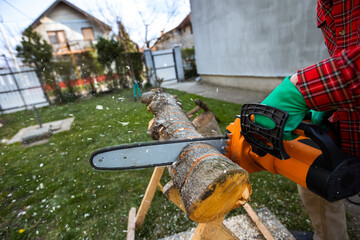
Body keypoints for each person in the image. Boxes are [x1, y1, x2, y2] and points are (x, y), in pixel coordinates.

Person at [258, 1, 359, 239]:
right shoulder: (326, 5)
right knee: (314, 175)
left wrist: (301, 89)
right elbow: (344, 56)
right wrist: (332, 101)